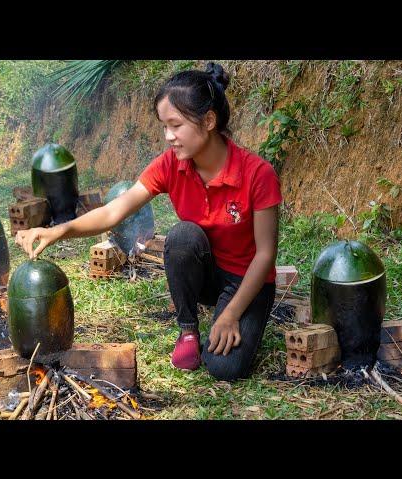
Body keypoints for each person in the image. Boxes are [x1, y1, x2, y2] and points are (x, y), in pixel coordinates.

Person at [15, 62, 282, 381]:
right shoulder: (172, 165)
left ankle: (227, 317)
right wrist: (57, 230)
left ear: (209, 121)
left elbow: (265, 255)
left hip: (247, 280)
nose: (168, 136)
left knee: (224, 368)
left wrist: (233, 314)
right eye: (164, 126)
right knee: (183, 236)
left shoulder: (257, 174)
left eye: (176, 125)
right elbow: (114, 211)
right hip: (207, 273)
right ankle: (188, 331)